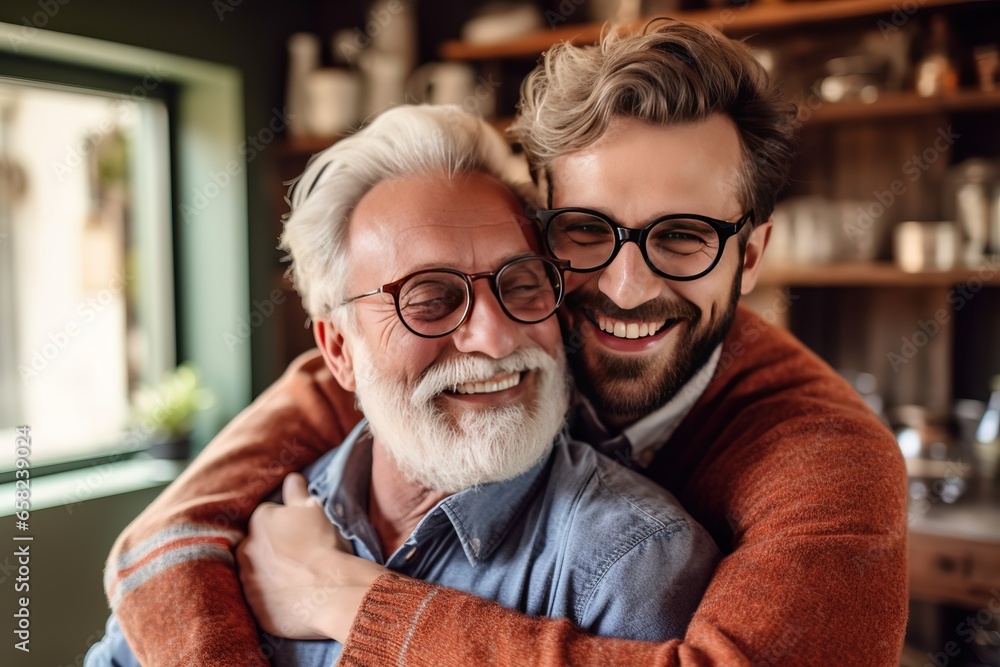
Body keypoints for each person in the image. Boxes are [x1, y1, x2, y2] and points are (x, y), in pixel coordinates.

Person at [98, 19, 908, 667]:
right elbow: (168, 535)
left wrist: (345, 602)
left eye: (686, 236)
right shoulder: (404, 362)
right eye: (588, 232)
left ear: (751, 256)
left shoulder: (832, 464)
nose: (627, 287)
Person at [86, 104, 719, 666]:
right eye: (431, 299)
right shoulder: (240, 531)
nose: (496, 340)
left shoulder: (631, 560)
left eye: (522, 284)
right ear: (339, 350)